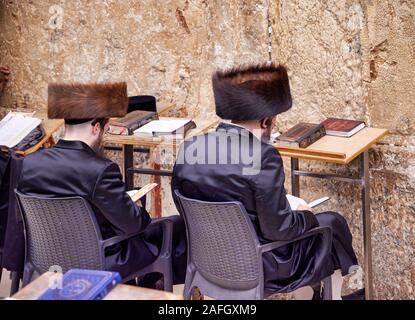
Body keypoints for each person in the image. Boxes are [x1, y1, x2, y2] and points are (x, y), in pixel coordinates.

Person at [171, 63, 359, 299]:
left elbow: (183, 204)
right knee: (331, 222)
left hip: (207, 262)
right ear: (265, 121)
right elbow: (279, 229)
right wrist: (305, 214)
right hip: (261, 265)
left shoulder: (190, 147)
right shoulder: (263, 156)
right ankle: (334, 294)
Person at [17, 82, 186, 286]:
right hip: (99, 260)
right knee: (174, 226)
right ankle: (151, 288)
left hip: (46, 258)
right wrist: (137, 207)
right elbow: (133, 225)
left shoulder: (30, 163)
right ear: (96, 128)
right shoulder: (100, 169)